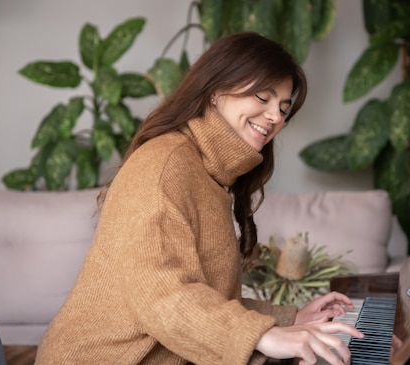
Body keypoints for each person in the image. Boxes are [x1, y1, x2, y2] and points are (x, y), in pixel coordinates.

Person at [35, 32, 363, 365]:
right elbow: (161, 295)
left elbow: (206, 299)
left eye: (282, 108)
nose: (276, 117)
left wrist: (289, 319)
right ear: (216, 92)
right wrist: (265, 335)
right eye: (263, 97)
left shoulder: (207, 175)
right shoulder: (164, 164)